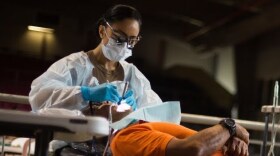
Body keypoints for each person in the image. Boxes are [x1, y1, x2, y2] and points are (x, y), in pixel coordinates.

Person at [29, 4, 249, 156]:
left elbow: (158, 118)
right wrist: (85, 95)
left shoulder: (132, 75)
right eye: (119, 38)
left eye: (132, 41)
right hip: (73, 147)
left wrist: (134, 115)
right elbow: (40, 95)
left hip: (116, 149)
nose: (126, 46)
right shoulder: (75, 65)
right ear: (102, 31)